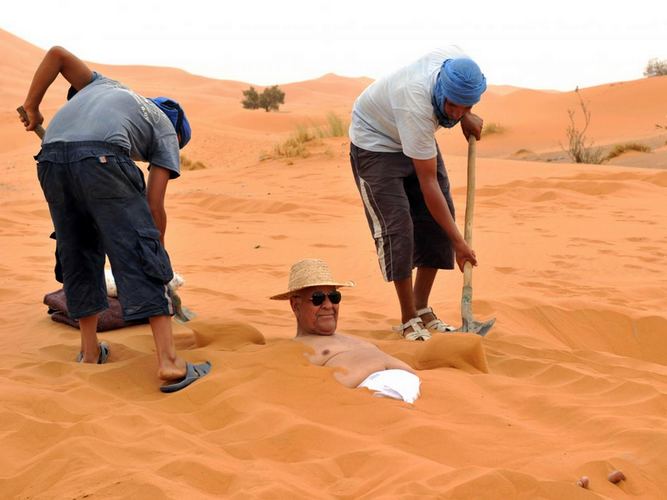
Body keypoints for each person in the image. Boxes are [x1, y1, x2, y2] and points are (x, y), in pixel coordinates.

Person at [19, 46, 210, 393]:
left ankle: (90, 352)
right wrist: (157, 255)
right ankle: (169, 362)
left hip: (50, 160)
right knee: (142, 251)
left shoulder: (104, 86)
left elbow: (57, 55)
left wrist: (32, 106)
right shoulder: (167, 129)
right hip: (103, 157)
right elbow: (153, 209)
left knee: (77, 251)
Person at [348, 46, 487, 341]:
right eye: (452, 105)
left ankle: (422, 307)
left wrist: (465, 115)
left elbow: (460, 98)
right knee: (398, 228)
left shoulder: (457, 64)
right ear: (440, 88)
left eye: (466, 104)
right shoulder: (415, 104)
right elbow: (429, 184)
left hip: (411, 136)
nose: (456, 111)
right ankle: (408, 317)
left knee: (437, 224)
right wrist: (459, 243)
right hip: (375, 141)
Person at [271, 258, 420, 403]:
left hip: (410, 388)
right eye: (318, 298)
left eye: (334, 297)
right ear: (295, 305)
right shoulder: (295, 348)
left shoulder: (349, 338)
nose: (328, 305)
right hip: (372, 395)